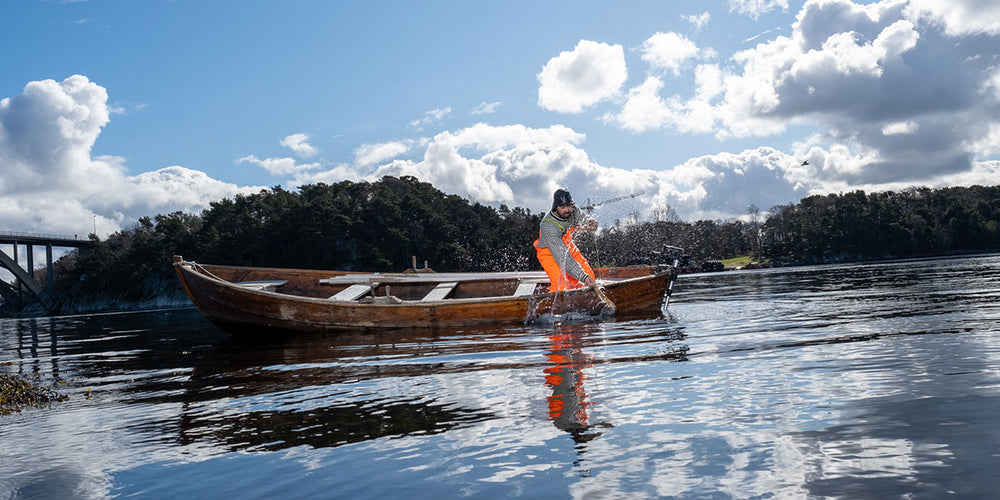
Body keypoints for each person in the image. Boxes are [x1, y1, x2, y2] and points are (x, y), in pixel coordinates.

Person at [534, 188, 599, 292]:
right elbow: (563, 258)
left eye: (569, 206)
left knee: (590, 278)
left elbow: (582, 221)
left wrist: (590, 223)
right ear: (555, 207)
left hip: (569, 246)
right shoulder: (548, 226)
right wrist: (582, 276)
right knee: (562, 288)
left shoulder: (574, 210)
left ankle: (583, 298)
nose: (567, 210)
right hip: (549, 253)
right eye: (563, 207)